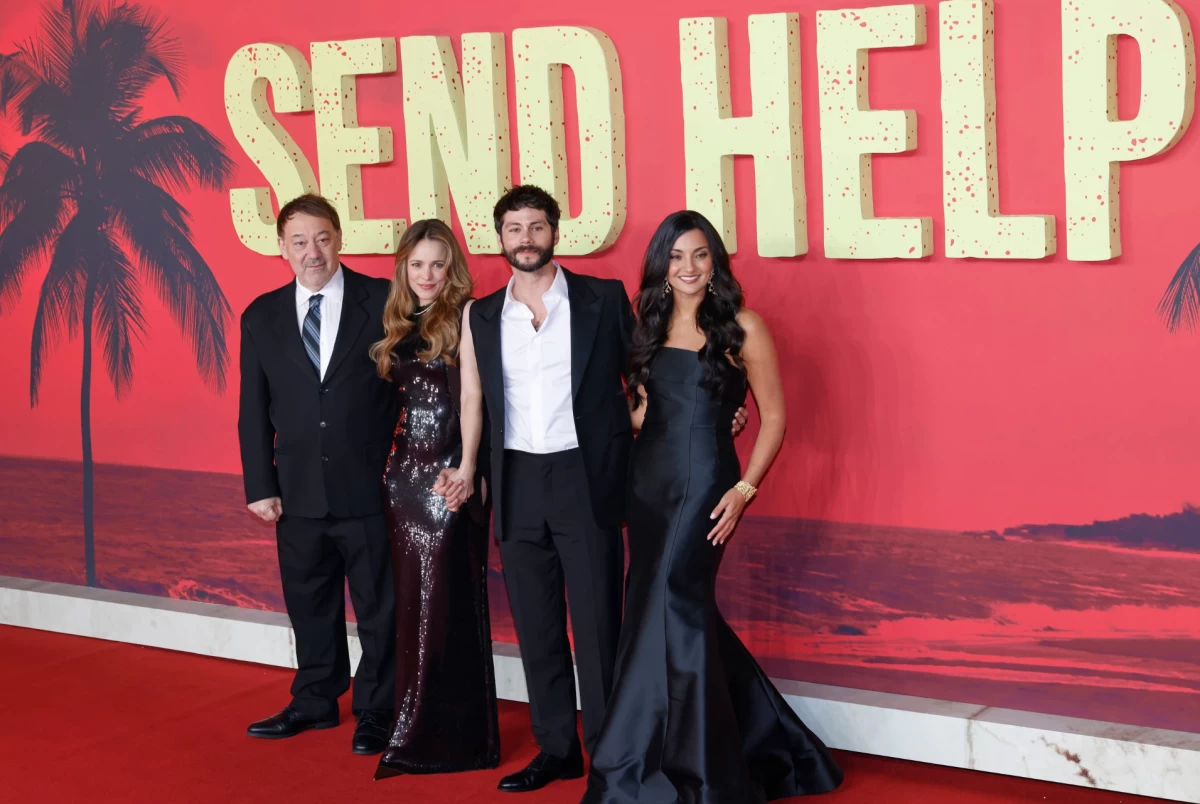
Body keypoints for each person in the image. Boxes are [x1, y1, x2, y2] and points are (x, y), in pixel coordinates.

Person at [469, 186, 749, 793]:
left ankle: (609, 749)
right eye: (513, 228)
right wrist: (470, 470)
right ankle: (555, 749)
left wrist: (723, 406)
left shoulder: (601, 299)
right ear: (499, 238)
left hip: (586, 477)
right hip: (516, 480)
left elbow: (657, 376)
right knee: (537, 627)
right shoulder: (483, 314)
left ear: (554, 231)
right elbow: (475, 401)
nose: (525, 238)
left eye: (536, 226)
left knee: (598, 627)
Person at [580, 211, 844, 803]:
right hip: (647, 483)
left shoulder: (742, 326)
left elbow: (773, 417)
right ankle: (764, 740)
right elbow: (643, 413)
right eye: (675, 257)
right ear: (661, 266)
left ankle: (658, 768)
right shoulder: (646, 324)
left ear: (715, 261)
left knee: (670, 602)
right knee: (671, 610)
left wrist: (744, 489)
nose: (688, 268)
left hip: (705, 485)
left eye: (699, 255)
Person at [237, 193, 395, 756]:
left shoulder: (383, 300)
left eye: (322, 238)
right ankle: (314, 700)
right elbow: (252, 409)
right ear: (282, 248)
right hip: (296, 492)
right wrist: (260, 485)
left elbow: (413, 392)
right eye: (299, 241)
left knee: (381, 607)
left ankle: (379, 709)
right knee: (309, 602)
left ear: (339, 239)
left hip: (371, 488)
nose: (313, 251)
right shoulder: (260, 315)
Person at [369, 219, 500, 777]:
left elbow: (482, 399)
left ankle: (451, 737)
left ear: (453, 269)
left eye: (437, 264)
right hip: (403, 483)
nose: (426, 275)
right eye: (416, 264)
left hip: (450, 481)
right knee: (412, 604)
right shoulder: (395, 322)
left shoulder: (470, 316)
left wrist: (472, 470)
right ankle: (411, 721)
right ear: (404, 268)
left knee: (446, 603)